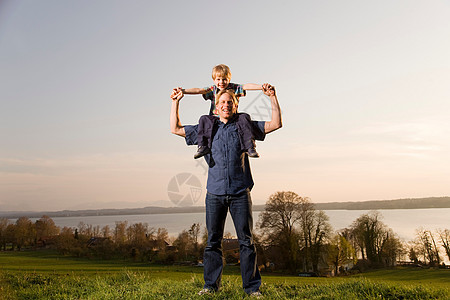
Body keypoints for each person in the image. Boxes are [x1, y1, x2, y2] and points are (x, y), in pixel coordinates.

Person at [169, 83, 282, 297]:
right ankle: (210, 287)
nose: (226, 105)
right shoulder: (207, 128)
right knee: (213, 242)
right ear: (216, 107)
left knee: (246, 241)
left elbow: (276, 123)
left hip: (240, 192)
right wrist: (175, 102)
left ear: (236, 105)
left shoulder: (244, 126)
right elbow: (175, 129)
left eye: (230, 102)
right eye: (222, 102)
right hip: (215, 194)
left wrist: (272, 98)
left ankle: (252, 289)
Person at [181, 64, 264, 159]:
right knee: (204, 119)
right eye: (218, 79)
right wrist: (183, 91)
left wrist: (261, 87)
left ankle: (249, 147)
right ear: (214, 80)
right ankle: (203, 146)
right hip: (215, 120)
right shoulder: (212, 89)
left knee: (244, 117)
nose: (221, 82)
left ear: (229, 79)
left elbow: (246, 86)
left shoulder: (234, 87)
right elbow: (199, 90)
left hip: (232, 118)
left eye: (224, 79)